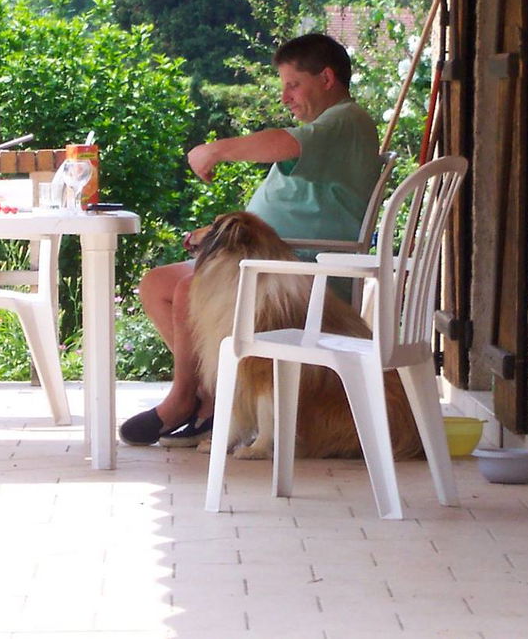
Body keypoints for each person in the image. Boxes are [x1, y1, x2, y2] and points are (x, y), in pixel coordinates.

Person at [119, 33, 380, 447]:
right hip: (266, 261)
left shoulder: (343, 121)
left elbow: (281, 143)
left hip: (295, 271)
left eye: (293, 84)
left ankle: (187, 400)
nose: (285, 97)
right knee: (157, 285)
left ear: (327, 78)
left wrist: (215, 150)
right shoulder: (327, 127)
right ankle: (212, 399)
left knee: (190, 289)